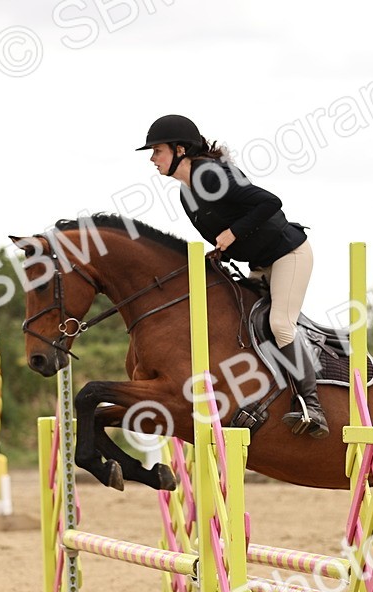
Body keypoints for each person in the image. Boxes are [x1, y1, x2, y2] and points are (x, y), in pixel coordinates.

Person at [137, 114, 328, 438]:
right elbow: (227, 234)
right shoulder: (186, 194)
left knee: (280, 324)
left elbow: (270, 203)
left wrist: (232, 234)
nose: (153, 159)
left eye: (157, 151)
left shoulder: (211, 175)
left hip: (288, 255)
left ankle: (313, 406)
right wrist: (220, 251)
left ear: (180, 149)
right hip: (259, 262)